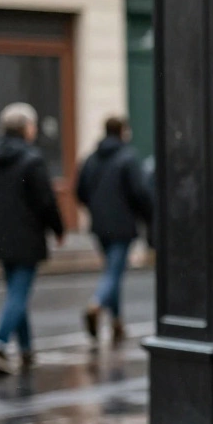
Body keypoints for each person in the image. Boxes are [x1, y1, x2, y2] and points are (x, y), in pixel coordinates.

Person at [0, 103, 65, 375]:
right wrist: (58, 228)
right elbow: (45, 200)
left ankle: (26, 350)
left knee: (16, 292)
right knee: (19, 294)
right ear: (26, 128)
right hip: (27, 235)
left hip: (0, 235)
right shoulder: (32, 159)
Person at [76, 117, 153, 346]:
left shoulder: (91, 158)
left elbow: (80, 191)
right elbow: (140, 192)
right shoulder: (128, 158)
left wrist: (95, 209)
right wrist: (148, 217)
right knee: (114, 272)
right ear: (122, 131)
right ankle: (96, 304)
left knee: (112, 269)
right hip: (122, 224)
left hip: (99, 225)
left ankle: (117, 322)